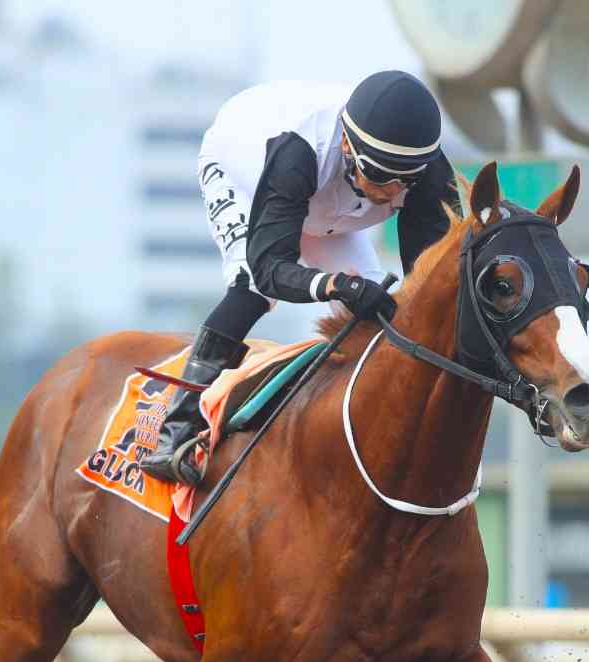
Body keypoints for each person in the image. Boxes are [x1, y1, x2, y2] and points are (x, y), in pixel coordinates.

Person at [139, 70, 461, 486]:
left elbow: (430, 283)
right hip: (251, 175)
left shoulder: (428, 169)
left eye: (406, 181)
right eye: (381, 176)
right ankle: (175, 430)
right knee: (251, 290)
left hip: (332, 203)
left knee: (381, 315)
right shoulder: (298, 150)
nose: (390, 192)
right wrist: (332, 284)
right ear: (347, 145)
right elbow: (269, 269)